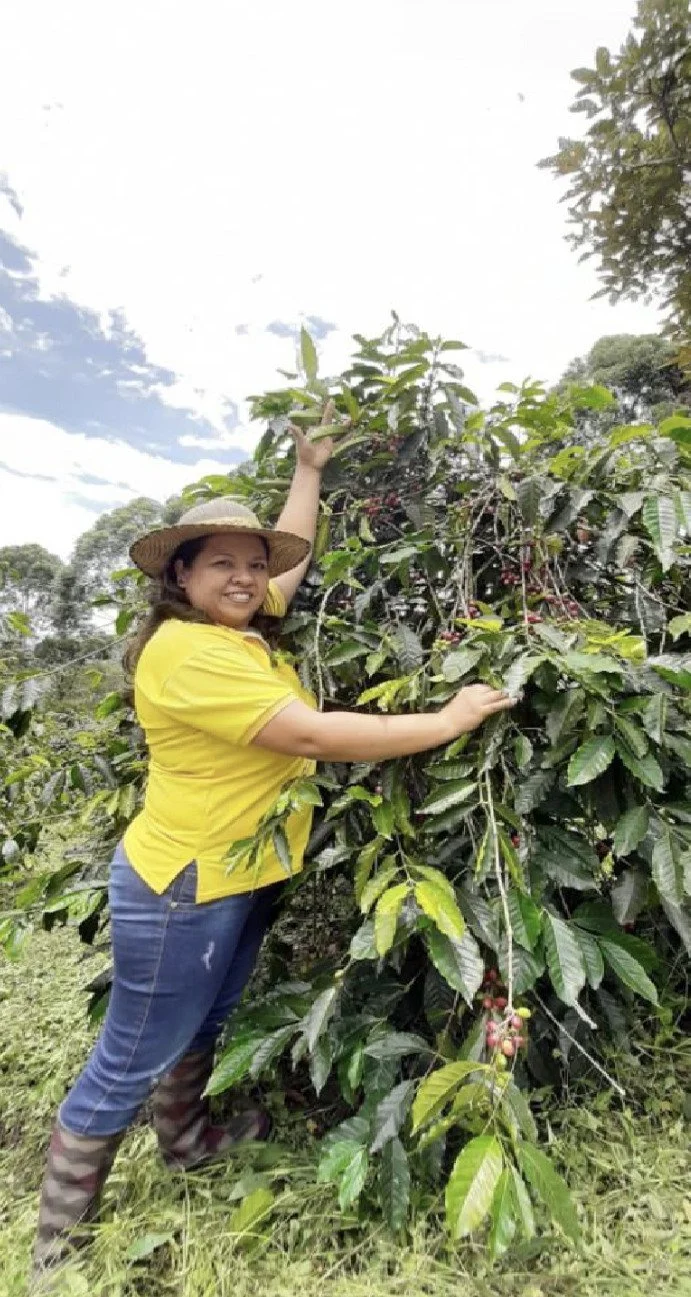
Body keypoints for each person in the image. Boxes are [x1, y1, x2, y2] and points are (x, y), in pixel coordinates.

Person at [31, 403, 514, 1282]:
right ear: (180, 573)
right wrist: (446, 718)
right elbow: (311, 735)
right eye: (224, 563)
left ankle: (188, 1139)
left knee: (203, 1021)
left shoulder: (233, 625)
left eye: (255, 566)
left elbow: (287, 553)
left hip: (240, 867)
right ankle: (56, 1248)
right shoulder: (188, 653)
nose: (248, 577)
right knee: (131, 1052)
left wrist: (309, 472)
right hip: (184, 880)